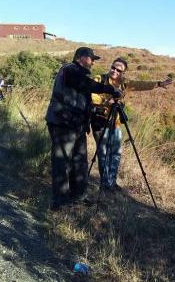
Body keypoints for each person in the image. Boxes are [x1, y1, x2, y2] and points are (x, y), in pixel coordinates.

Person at [45, 47, 122, 211]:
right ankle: (60, 202)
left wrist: (96, 110)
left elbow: (81, 99)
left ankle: (79, 196)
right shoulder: (70, 69)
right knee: (62, 162)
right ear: (80, 57)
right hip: (63, 124)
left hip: (77, 125)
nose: (93, 62)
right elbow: (86, 85)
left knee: (79, 162)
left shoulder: (79, 74)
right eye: (91, 58)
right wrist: (110, 89)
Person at [91, 57, 172, 192]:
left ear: (123, 73)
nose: (114, 71)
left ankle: (112, 182)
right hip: (101, 121)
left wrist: (158, 84)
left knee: (116, 153)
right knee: (103, 154)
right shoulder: (100, 79)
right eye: (113, 67)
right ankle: (105, 183)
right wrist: (106, 102)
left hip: (115, 122)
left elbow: (140, 84)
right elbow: (91, 95)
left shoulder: (124, 83)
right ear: (110, 67)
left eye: (119, 70)